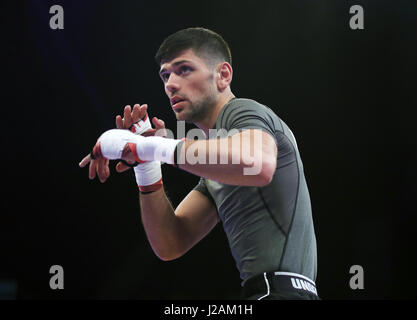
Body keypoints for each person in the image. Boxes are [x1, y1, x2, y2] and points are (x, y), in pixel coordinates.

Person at [79, 27, 319, 300]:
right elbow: (170, 243)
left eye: (183, 70)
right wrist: (146, 165)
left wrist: (149, 146)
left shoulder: (242, 110)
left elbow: (257, 164)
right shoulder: (218, 172)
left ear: (223, 75)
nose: (170, 83)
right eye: (165, 75)